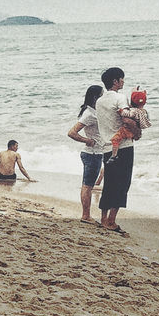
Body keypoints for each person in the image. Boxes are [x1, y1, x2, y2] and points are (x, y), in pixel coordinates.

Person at [95, 67, 132, 234]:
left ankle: (103, 218)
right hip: (123, 146)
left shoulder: (99, 101)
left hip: (107, 147)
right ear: (115, 81)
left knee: (109, 183)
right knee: (122, 184)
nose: (123, 81)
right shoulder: (120, 97)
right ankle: (111, 221)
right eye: (121, 79)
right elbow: (125, 118)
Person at [67, 84, 105, 224]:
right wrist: (87, 140)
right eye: (102, 95)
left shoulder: (93, 111)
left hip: (95, 153)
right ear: (96, 97)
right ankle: (85, 216)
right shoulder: (89, 113)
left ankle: (86, 215)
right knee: (87, 186)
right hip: (92, 153)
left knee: (88, 185)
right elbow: (72, 132)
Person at [110, 89, 150, 159]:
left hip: (126, 130)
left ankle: (114, 155)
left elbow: (127, 113)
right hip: (133, 131)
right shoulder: (143, 111)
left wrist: (120, 111)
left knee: (115, 140)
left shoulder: (133, 111)